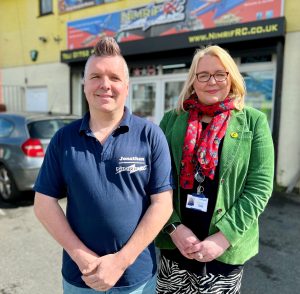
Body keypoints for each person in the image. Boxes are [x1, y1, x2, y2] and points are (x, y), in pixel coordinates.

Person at [33, 37, 173, 293]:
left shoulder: (151, 135)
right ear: (84, 84)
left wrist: (120, 262)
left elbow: (162, 204)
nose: (105, 85)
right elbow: (43, 204)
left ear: (127, 87)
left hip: (136, 278)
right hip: (81, 277)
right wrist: (83, 258)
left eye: (114, 78)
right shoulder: (64, 139)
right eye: (96, 76)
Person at [155, 45, 274, 293]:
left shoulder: (253, 121)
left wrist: (223, 238)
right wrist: (173, 227)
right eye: (203, 75)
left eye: (220, 74)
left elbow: (260, 187)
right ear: (193, 81)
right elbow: (157, 181)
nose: (212, 81)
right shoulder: (171, 120)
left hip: (225, 251)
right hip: (176, 245)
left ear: (231, 78)